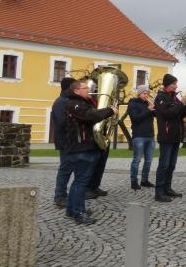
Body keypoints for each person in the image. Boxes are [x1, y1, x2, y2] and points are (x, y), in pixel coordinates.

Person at [63, 80, 117, 224]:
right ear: (76, 91)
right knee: (81, 182)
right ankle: (79, 212)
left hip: (84, 147)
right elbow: (91, 116)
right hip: (81, 147)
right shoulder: (74, 104)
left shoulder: (81, 102)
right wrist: (110, 110)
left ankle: (72, 209)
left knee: (78, 181)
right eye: (85, 88)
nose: (89, 89)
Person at [153, 73, 186, 203]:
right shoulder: (160, 98)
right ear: (167, 85)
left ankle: (167, 188)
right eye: (174, 84)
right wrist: (181, 103)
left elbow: (179, 115)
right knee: (163, 165)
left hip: (176, 136)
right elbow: (168, 113)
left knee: (171, 165)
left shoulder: (174, 98)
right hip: (166, 136)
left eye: (176, 84)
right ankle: (159, 192)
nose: (176, 86)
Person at [52, 77, 77, 208]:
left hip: (69, 140)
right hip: (65, 141)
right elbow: (62, 122)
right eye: (75, 87)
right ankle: (60, 196)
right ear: (69, 88)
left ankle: (63, 195)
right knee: (65, 169)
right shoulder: (61, 102)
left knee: (68, 168)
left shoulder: (67, 100)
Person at [127, 85, 156, 190]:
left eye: (147, 94)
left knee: (148, 160)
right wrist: (148, 110)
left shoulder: (148, 104)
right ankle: (134, 181)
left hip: (150, 136)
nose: (146, 95)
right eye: (144, 93)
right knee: (137, 160)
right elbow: (135, 119)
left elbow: (156, 115)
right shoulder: (133, 104)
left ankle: (144, 180)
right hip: (139, 136)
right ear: (139, 94)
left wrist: (154, 109)